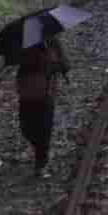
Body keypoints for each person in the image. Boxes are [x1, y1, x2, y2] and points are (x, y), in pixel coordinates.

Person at [17, 35, 69, 178]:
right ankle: (39, 151)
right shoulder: (24, 44)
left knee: (44, 130)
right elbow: (19, 65)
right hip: (27, 94)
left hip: (46, 94)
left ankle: (41, 163)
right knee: (26, 128)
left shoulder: (53, 42)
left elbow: (65, 64)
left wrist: (54, 66)